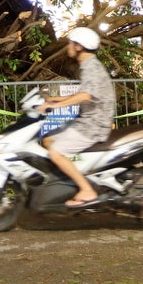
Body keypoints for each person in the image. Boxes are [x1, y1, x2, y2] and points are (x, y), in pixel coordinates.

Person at [38, 27, 117, 209]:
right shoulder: (89, 65)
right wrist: (56, 99)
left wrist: (55, 106)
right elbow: (85, 93)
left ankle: (86, 190)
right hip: (89, 121)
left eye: (71, 44)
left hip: (93, 125)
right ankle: (68, 181)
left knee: (55, 152)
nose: (68, 47)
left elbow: (85, 96)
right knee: (48, 139)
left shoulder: (91, 67)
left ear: (79, 47)